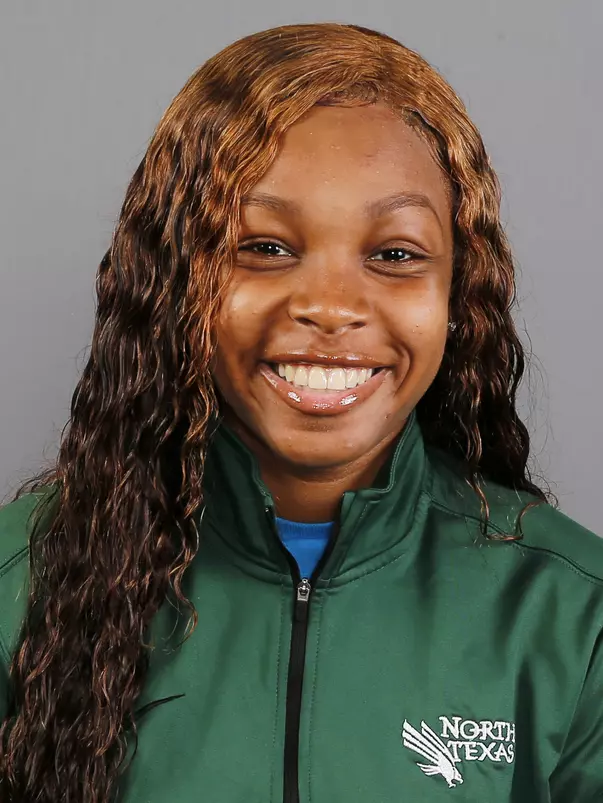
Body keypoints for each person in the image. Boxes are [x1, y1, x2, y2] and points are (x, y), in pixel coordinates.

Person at [0, 21, 601, 803]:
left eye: (394, 254)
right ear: (175, 282)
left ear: (458, 295)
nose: (329, 306)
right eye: (264, 247)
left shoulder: (571, 616)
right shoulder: (19, 586)